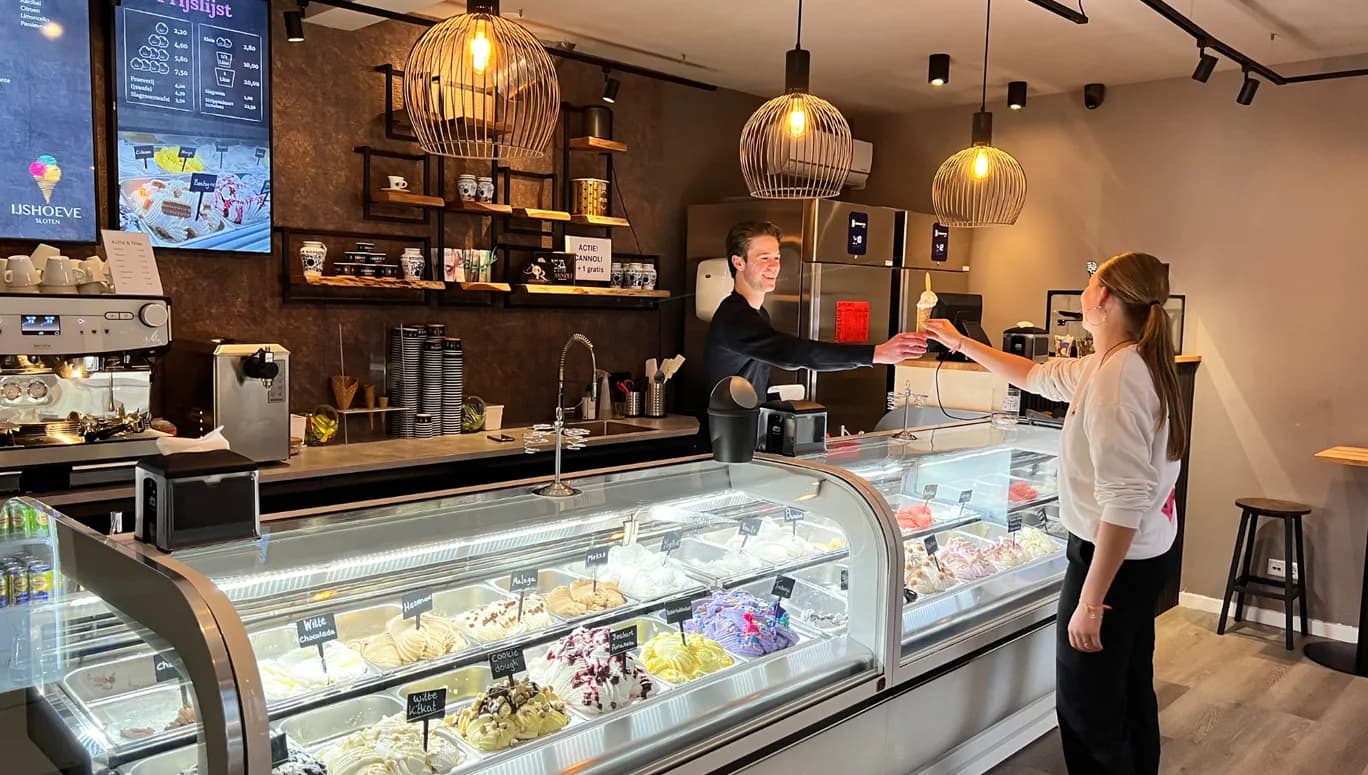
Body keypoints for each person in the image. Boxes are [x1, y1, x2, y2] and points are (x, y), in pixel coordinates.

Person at [924, 251, 1185, 775]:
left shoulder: (1117, 380)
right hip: (1140, 557)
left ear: (1104, 297)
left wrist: (1092, 599)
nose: (1085, 288)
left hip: (1111, 564)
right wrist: (960, 343)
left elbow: (1123, 500)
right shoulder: (1118, 362)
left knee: (1088, 709)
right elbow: (1035, 375)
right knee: (1128, 691)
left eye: (1092, 280)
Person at [704, 220, 927, 403]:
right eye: (764, 258)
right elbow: (794, 354)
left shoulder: (758, 314)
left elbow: (758, 382)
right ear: (738, 262)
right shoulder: (734, 318)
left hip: (749, 435)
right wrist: (876, 354)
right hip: (729, 442)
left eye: (777, 257)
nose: (774, 266)